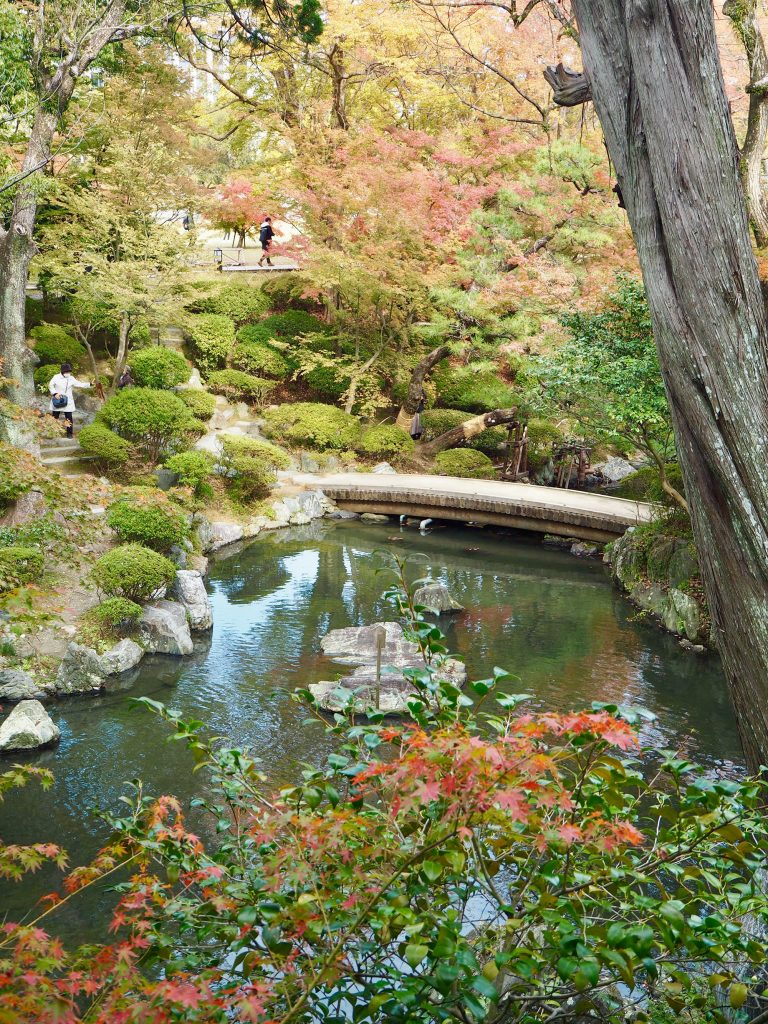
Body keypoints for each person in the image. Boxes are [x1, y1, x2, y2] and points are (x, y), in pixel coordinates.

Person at [48, 363, 91, 438]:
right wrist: (55, 393)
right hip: (58, 399)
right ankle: (52, 433)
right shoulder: (56, 377)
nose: (68, 373)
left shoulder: (71, 378)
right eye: (66, 372)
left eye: (69, 372)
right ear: (62, 371)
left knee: (69, 417)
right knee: (55, 417)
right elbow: (50, 385)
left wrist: (89, 384)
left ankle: (69, 434)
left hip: (68, 401)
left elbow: (79, 384)